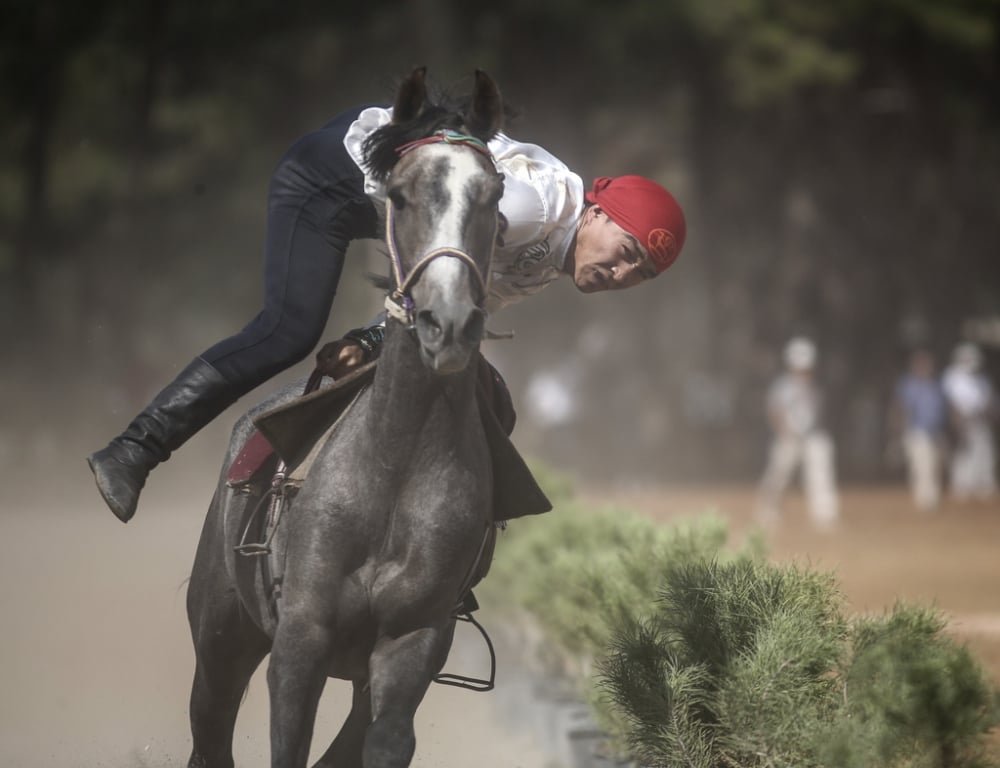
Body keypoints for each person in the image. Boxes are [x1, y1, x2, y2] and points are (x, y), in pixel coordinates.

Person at [87, 99, 687, 524]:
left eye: (643, 275)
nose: (625, 274)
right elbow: (451, 227)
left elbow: (451, 294)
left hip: (384, 206)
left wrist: (369, 341)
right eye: (629, 252)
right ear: (599, 214)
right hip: (333, 178)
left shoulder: (544, 262)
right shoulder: (538, 204)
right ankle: (135, 449)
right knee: (286, 331)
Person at [756, 336, 839, 530]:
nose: (803, 371)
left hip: (811, 435)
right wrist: (784, 431)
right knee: (778, 474)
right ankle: (768, 511)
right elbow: (775, 411)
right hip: (788, 436)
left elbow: (817, 413)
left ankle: (825, 515)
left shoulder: (815, 387)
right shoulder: (782, 386)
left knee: (820, 473)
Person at [889, 348, 949, 512]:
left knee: (936, 466)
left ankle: (933, 499)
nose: (925, 367)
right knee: (922, 466)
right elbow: (900, 408)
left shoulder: (936, 385)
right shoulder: (908, 384)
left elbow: (943, 409)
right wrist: (897, 433)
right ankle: (924, 501)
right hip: (917, 431)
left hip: (936, 432)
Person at [941, 342, 997, 502]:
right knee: (963, 455)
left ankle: (984, 486)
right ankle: (962, 487)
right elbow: (951, 404)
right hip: (963, 422)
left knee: (984, 453)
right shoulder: (951, 377)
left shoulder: (981, 379)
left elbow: (988, 401)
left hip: (981, 422)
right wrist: (957, 425)